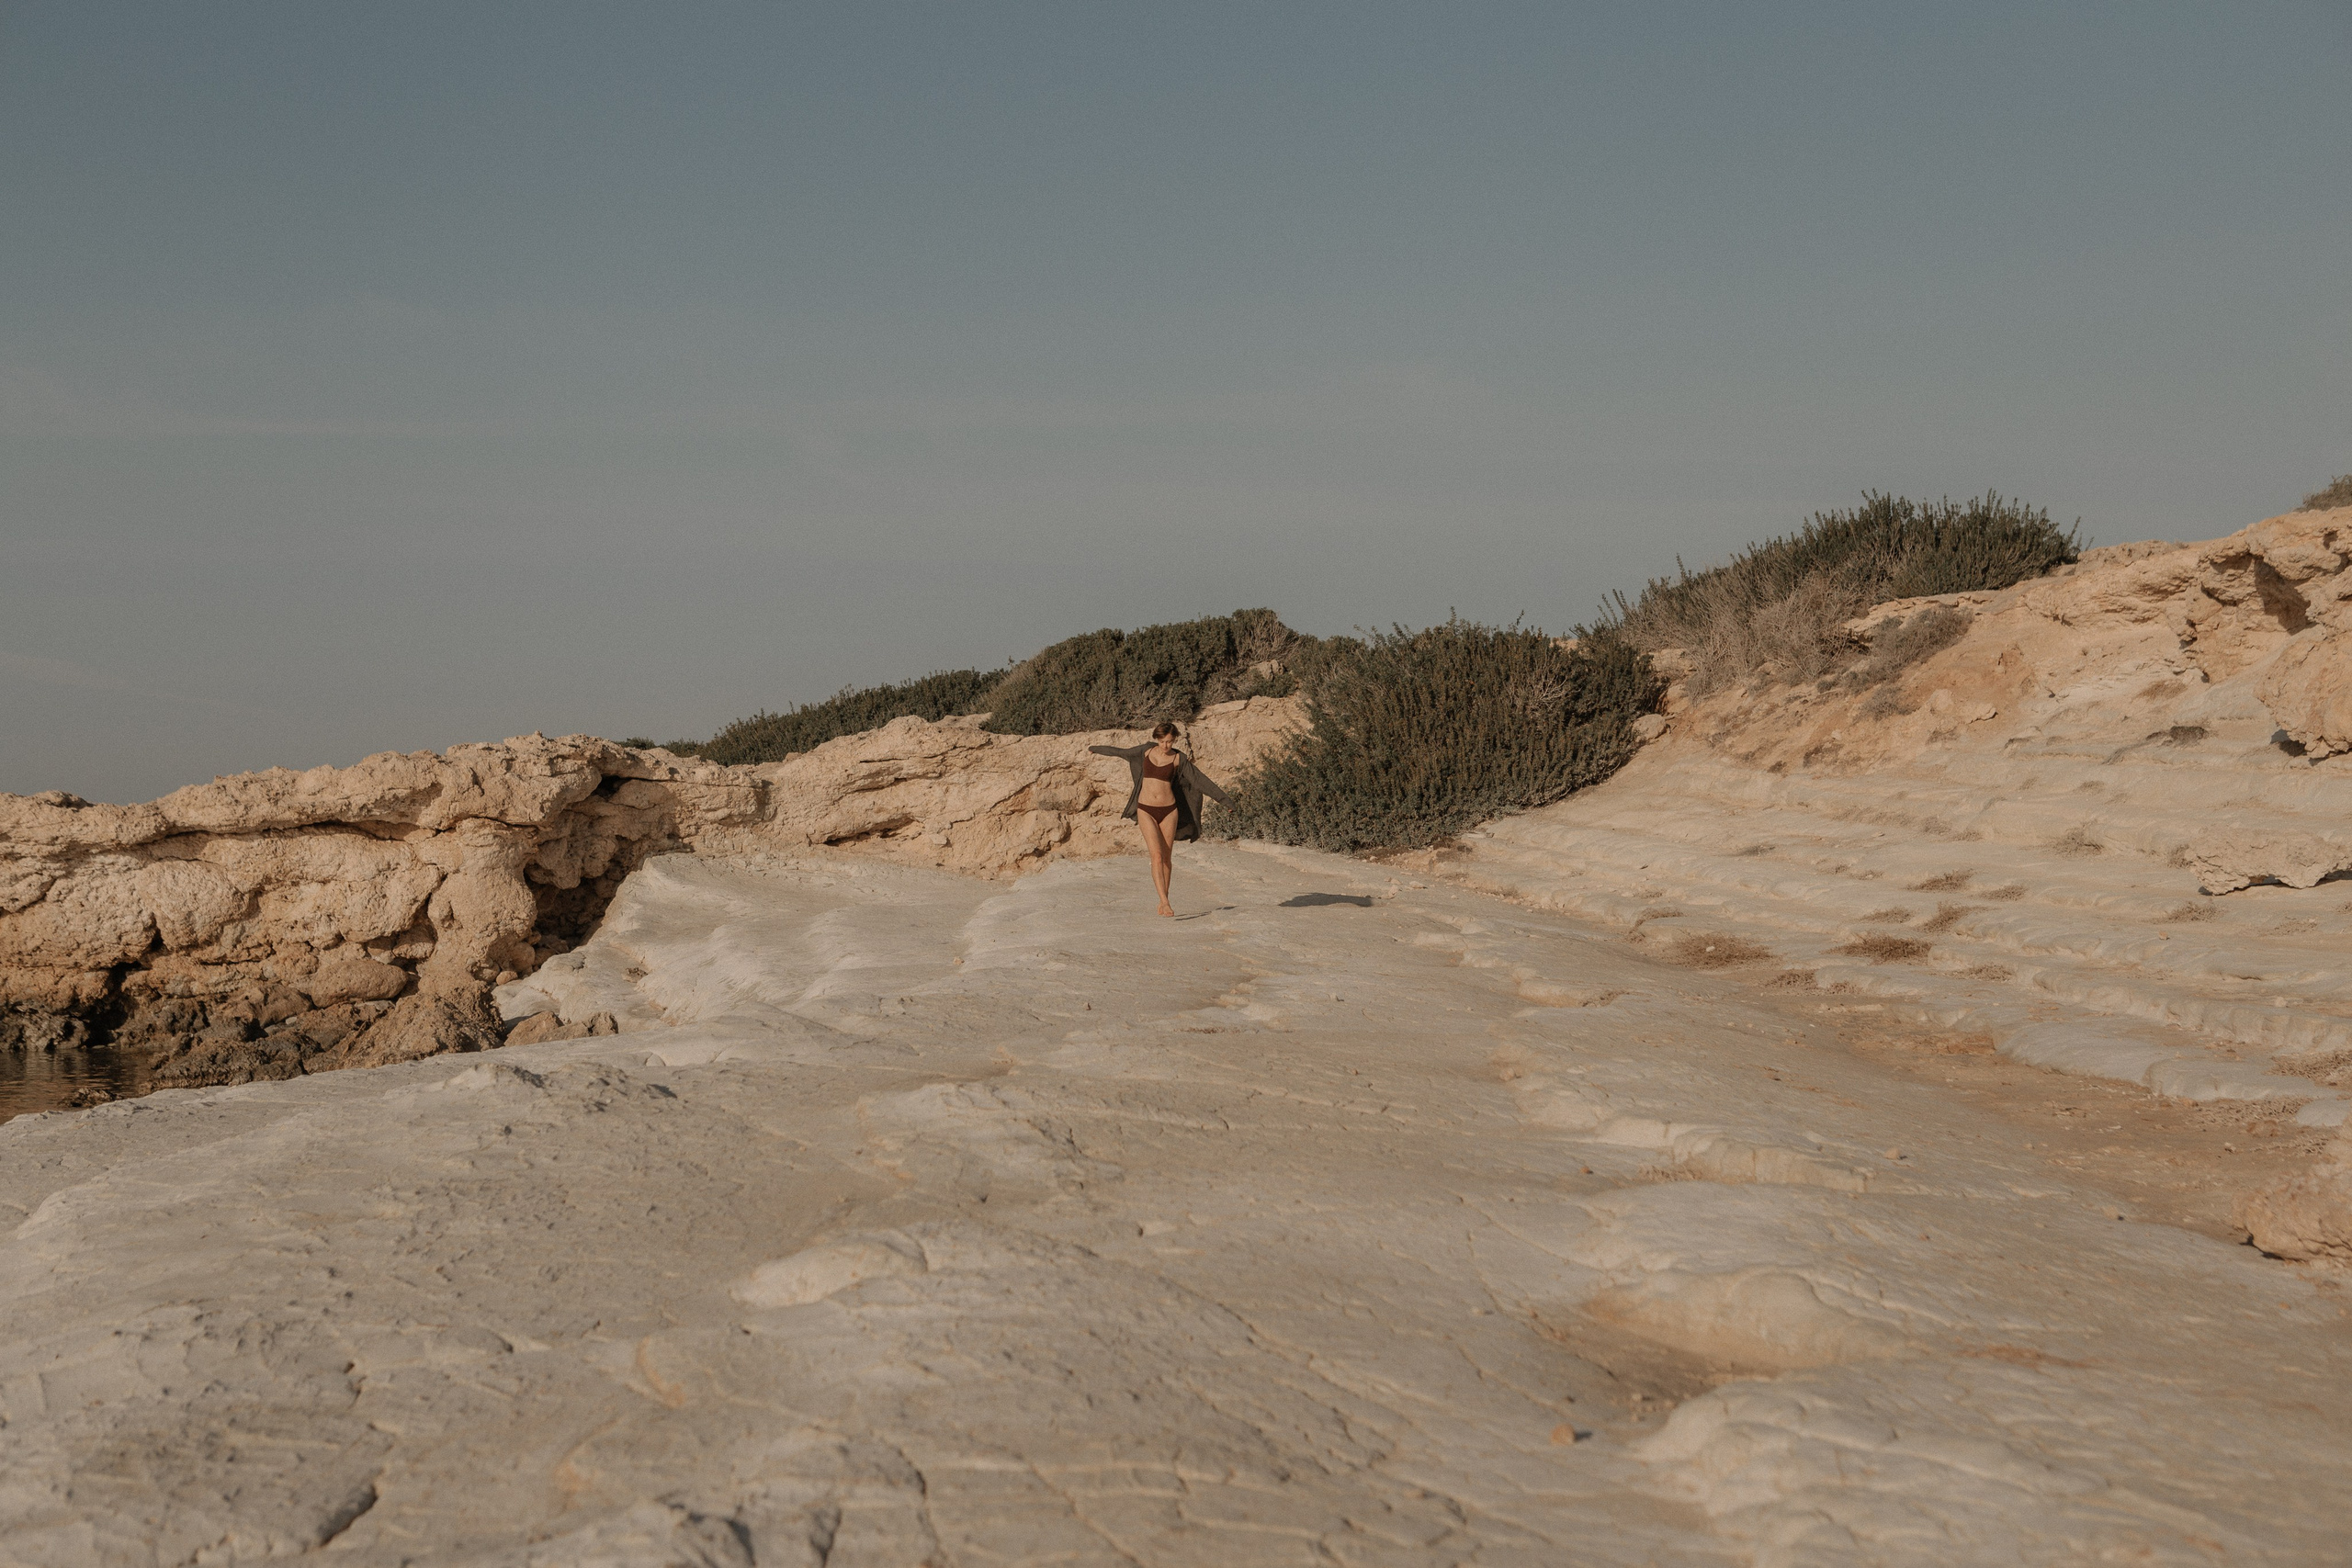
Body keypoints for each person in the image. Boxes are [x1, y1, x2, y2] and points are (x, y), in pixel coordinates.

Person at [1089, 721, 1231, 917]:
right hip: (1146, 809)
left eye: (1170, 742)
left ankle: (1163, 898)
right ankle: (1165, 902)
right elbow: (1121, 752)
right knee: (1156, 856)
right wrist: (1095, 749)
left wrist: (1226, 801)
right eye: (1163, 741)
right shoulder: (1145, 752)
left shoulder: (1178, 758)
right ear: (1157, 739)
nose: (1166, 746)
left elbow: (1199, 780)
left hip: (1169, 811)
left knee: (1166, 859)